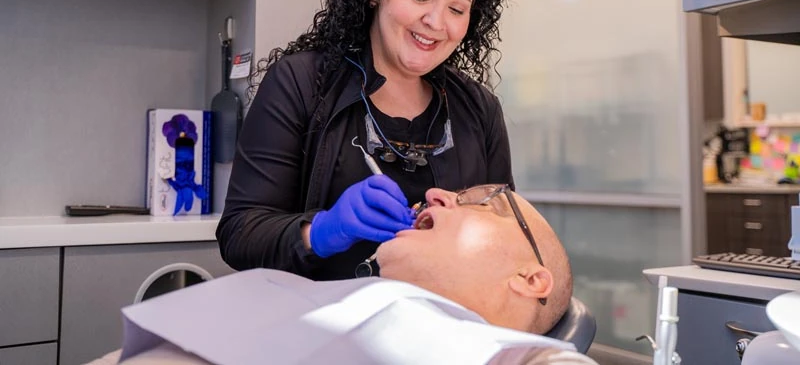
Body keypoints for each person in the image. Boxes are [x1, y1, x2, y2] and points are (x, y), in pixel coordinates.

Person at [217, 0, 516, 280]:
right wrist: (325, 230)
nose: (437, 23)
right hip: (317, 327)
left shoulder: (479, 108)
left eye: (457, 8)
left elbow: (507, 231)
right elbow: (239, 234)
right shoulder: (301, 83)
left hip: (439, 325)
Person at [95, 185, 597, 365]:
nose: (437, 194)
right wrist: (323, 230)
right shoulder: (323, 301)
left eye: (477, 200)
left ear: (531, 279)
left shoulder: (513, 356)